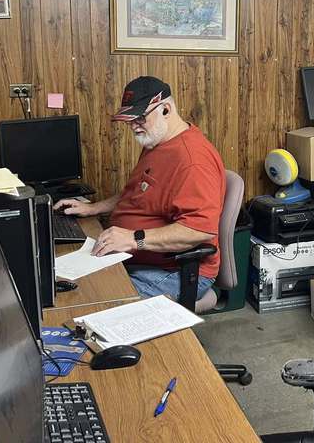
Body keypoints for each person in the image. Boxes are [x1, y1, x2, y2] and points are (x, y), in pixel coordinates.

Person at [54, 76, 225, 301]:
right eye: (130, 120)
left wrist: (134, 239)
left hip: (176, 272)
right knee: (65, 284)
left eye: (140, 118)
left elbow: (199, 230)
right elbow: (138, 192)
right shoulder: (156, 142)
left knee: (92, 300)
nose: (134, 126)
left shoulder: (193, 161)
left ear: (166, 109)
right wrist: (92, 208)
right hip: (136, 258)